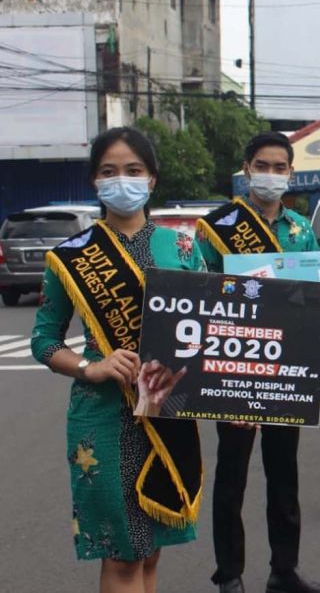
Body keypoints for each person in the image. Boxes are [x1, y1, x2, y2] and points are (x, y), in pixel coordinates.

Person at [31, 127, 204, 593]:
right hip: (106, 417)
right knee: (124, 557)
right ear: (94, 180)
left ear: (152, 179)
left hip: (167, 412)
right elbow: (44, 340)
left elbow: (214, 328)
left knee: (150, 551)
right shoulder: (71, 257)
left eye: (133, 170)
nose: (121, 180)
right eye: (109, 172)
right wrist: (91, 367)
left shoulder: (183, 247)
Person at [195, 132, 320, 593]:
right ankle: (229, 574)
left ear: (290, 173)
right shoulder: (216, 228)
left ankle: (284, 570)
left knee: (284, 472)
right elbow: (200, 294)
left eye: (279, 167)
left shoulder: (300, 229)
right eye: (262, 165)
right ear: (246, 169)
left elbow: (318, 291)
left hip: (286, 367)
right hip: (236, 367)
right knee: (231, 474)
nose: (270, 174)